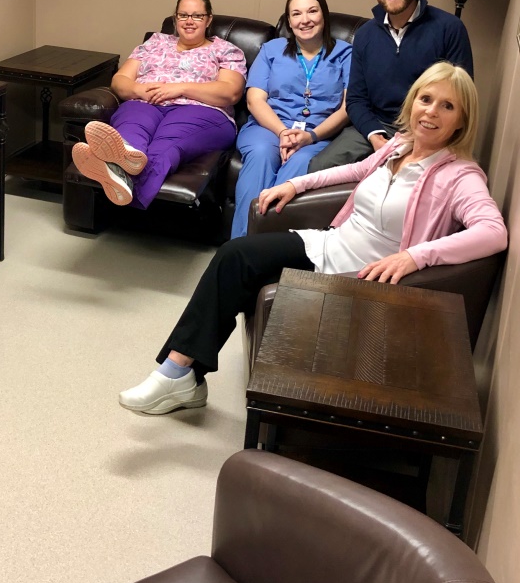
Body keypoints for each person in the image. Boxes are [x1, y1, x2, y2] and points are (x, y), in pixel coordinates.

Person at [119, 62, 506, 415]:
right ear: (413, 101)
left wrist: (416, 257)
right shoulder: (399, 146)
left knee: (240, 265)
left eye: (447, 107)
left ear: (461, 121)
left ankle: (177, 376)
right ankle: (180, 374)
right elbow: (356, 169)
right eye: (426, 99)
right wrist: (295, 183)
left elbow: (493, 233)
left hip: (363, 276)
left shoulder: (461, 176)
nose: (431, 112)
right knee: (234, 256)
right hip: (331, 243)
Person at [72, 0, 246, 210]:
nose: (189, 21)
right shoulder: (155, 42)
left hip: (201, 111)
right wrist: (139, 89)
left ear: (209, 19)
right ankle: (120, 163)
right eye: (183, 15)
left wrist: (180, 88)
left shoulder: (226, 50)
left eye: (197, 16)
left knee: (166, 145)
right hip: (145, 102)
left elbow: (230, 92)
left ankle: (121, 180)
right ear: (175, 18)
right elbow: (120, 80)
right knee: (130, 134)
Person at [307, 0, 473, 171]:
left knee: (406, 181)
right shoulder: (365, 35)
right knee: (320, 166)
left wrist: (419, 135)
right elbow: (356, 100)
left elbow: (460, 98)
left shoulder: (449, 29)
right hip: (374, 127)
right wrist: (375, 136)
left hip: (426, 128)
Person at [231, 0, 351, 239]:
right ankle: (240, 244)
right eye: (296, 14)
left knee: (299, 164)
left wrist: (312, 136)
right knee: (262, 155)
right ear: (288, 21)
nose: (304, 19)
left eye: (312, 11)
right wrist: (283, 131)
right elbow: (255, 100)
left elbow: (348, 107)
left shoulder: (345, 54)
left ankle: (265, 247)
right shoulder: (271, 50)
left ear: (324, 15)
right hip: (268, 128)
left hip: (318, 135)